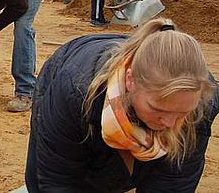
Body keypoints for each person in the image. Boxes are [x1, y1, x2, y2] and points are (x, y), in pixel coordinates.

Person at [25, 18, 218, 192]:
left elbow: (173, 182)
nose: (169, 122)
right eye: (157, 109)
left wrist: (168, 113)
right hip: (69, 75)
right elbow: (59, 179)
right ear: (130, 80)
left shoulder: (200, 102)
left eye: (182, 113)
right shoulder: (74, 90)